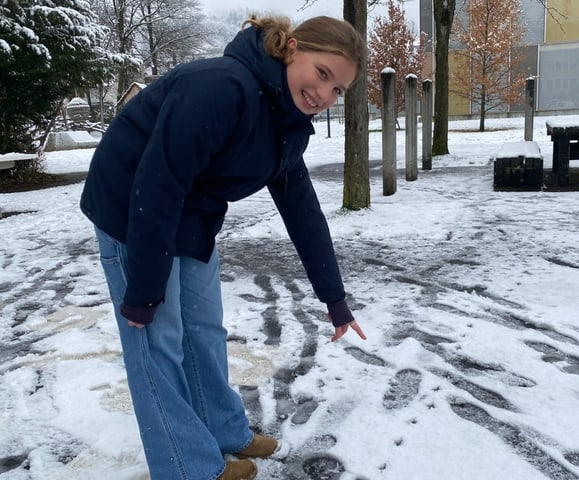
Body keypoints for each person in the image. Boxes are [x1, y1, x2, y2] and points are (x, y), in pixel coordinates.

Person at [80, 14, 368, 480]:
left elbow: (303, 211)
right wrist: (145, 289)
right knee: (157, 341)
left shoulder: (287, 123)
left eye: (338, 89)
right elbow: (158, 184)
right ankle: (186, 466)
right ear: (292, 49)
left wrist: (334, 299)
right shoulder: (221, 87)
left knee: (203, 330)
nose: (325, 94)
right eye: (322, 73)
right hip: (132, 207)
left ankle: (221, 427)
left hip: (189, 211)